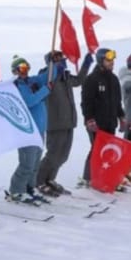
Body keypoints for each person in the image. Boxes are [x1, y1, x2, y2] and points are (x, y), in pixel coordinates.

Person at [36, 50, 92, 196]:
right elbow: (45, 82)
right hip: (55, 122)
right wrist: (52, 70)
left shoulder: (64, 76)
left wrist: (86, 64)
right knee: (53, 153)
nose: (62, 61)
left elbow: (78, 81)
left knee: (63, 155)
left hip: (69, 121)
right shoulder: (47, 75)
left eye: (62, 59)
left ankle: (51, 179)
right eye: (58, 59)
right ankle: (39, 181)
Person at [80, 47, 127, 186]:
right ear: (101, 60)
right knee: (97, 149)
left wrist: (121, 116)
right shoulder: (92, 79)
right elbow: (86, 102)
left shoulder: (113, 79)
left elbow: (117, 101)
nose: (111, 62)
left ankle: (104, 176)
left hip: (110, 121)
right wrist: (89, 119)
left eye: (112, 60)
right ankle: (88, 178)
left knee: (108, 151)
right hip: (96, 123)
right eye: (108, 60)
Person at [7, 56, 51, 204]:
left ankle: (28, 188)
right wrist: (45, 91)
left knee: (35, 164)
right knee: (27, 163)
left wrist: (54, 63)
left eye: (26, 68)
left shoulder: (32, 82)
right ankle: (16, 191)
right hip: (27, 131)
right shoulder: (16, 86)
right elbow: (29, 101)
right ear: (15, 71)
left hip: (40, 129)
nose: (24, 71)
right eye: (21, 69)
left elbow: (48, 76)